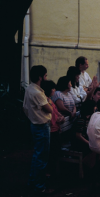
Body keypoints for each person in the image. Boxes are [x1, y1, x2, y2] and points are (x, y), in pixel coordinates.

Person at [23, 65, 53, 194]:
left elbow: (24, 108)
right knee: (41, 158)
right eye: (45, 76)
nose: (46, 78)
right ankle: (40, 187)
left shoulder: (29, 89)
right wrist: (49, 102)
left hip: (34, 125)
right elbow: (50, 109)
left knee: (37, 156)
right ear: (40, 77)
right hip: (41, 126)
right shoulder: (37, 92)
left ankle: (33, 182)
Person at [41, 80, 65, 177]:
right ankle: (48, 173)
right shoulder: (46, 101)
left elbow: (56, 112)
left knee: (55, 151)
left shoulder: (50, 100)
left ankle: (52, 171)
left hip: (56, 129)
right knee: (51, 152)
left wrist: (61, 117)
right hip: (51, 130)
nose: (54, 90)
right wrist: (59, 119)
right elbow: (51, 115)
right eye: (53, 88)